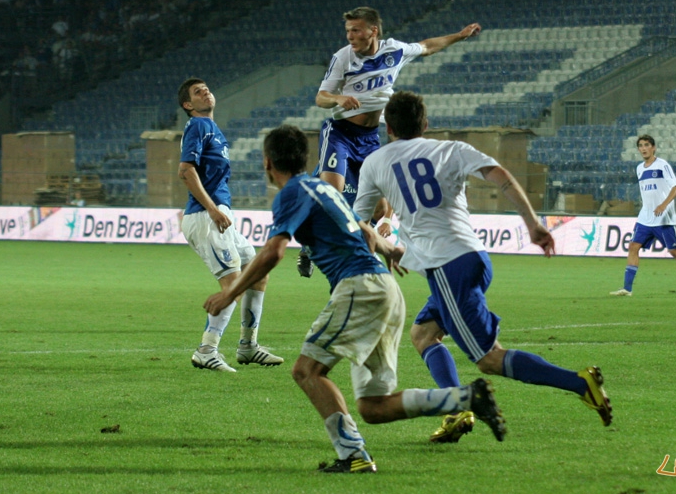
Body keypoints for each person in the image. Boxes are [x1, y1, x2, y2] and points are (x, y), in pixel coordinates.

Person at [204, 124, 506, 474]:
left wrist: (231, 292)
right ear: (305, 159)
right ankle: (466, 398)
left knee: (307, 371)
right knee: (373, 407)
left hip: (359, 287)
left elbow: (273, 251)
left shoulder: (292, 192)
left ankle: (353, 455)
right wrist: (391, 250)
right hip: (385, 289)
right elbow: (363, 228)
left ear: (267, 162)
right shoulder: (323, 188)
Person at [353, 91, 612, 443]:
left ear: (389, 127)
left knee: (489, 359)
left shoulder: (375, 162)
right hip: (473, 257)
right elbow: (499, 174)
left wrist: (382, 245)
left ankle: (579, 383)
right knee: (423, 334)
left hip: (448, 269)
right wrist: (533, 223)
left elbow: (358, 223)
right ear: (426, 124)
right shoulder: (451, 149)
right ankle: (456, 412)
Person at [299, 7, 481, 276]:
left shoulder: (394, 51)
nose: (350, 36)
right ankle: (311, 245)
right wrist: (338, 99)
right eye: (348, 30)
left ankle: (360, 246)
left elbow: (427, 46)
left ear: (373, 31)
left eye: (356, 30)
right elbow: (321, 97)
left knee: (380, 208)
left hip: (370, 138)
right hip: (340, 133)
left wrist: (459, 35)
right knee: (333, 194)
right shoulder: (343, 58)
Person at [178, 77, 282, 372]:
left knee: (257, 273)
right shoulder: (198, 126)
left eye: (208, 88)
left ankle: (248, 346)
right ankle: (206, 349)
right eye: (198, 92)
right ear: (188, 105)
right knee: (234, 283)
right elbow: (185, 170)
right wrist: (212, 208)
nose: (206, 93)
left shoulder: (213, 129)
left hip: (221, 217)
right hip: (205, 217)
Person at [610, 135, 676, 298]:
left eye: (646, 145)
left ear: (653, 147)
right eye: (640, 146)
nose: (643, 148)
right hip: (645, 217)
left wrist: (663, 205)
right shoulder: (639, 168)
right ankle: (627, 289)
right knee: (633, 247)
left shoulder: (662, 165)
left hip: (664, 217)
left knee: (675, 251)